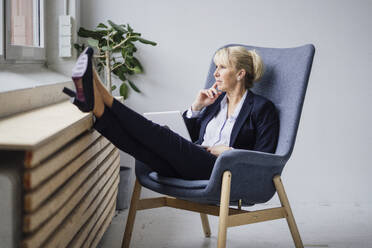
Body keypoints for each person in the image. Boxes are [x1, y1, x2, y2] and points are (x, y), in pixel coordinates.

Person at [63, 46, 279, 180]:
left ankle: (101, 94)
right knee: (140, 149)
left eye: (222, 67)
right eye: (216, 67)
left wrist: (230, 151)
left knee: (162, 135)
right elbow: (187, 136)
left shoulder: (262, 108)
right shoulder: (214, 103)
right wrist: (196, 107)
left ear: (240, 73)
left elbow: (265, 157)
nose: (215, 73)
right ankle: (97, 107)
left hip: (224, 170)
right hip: (195, 159)